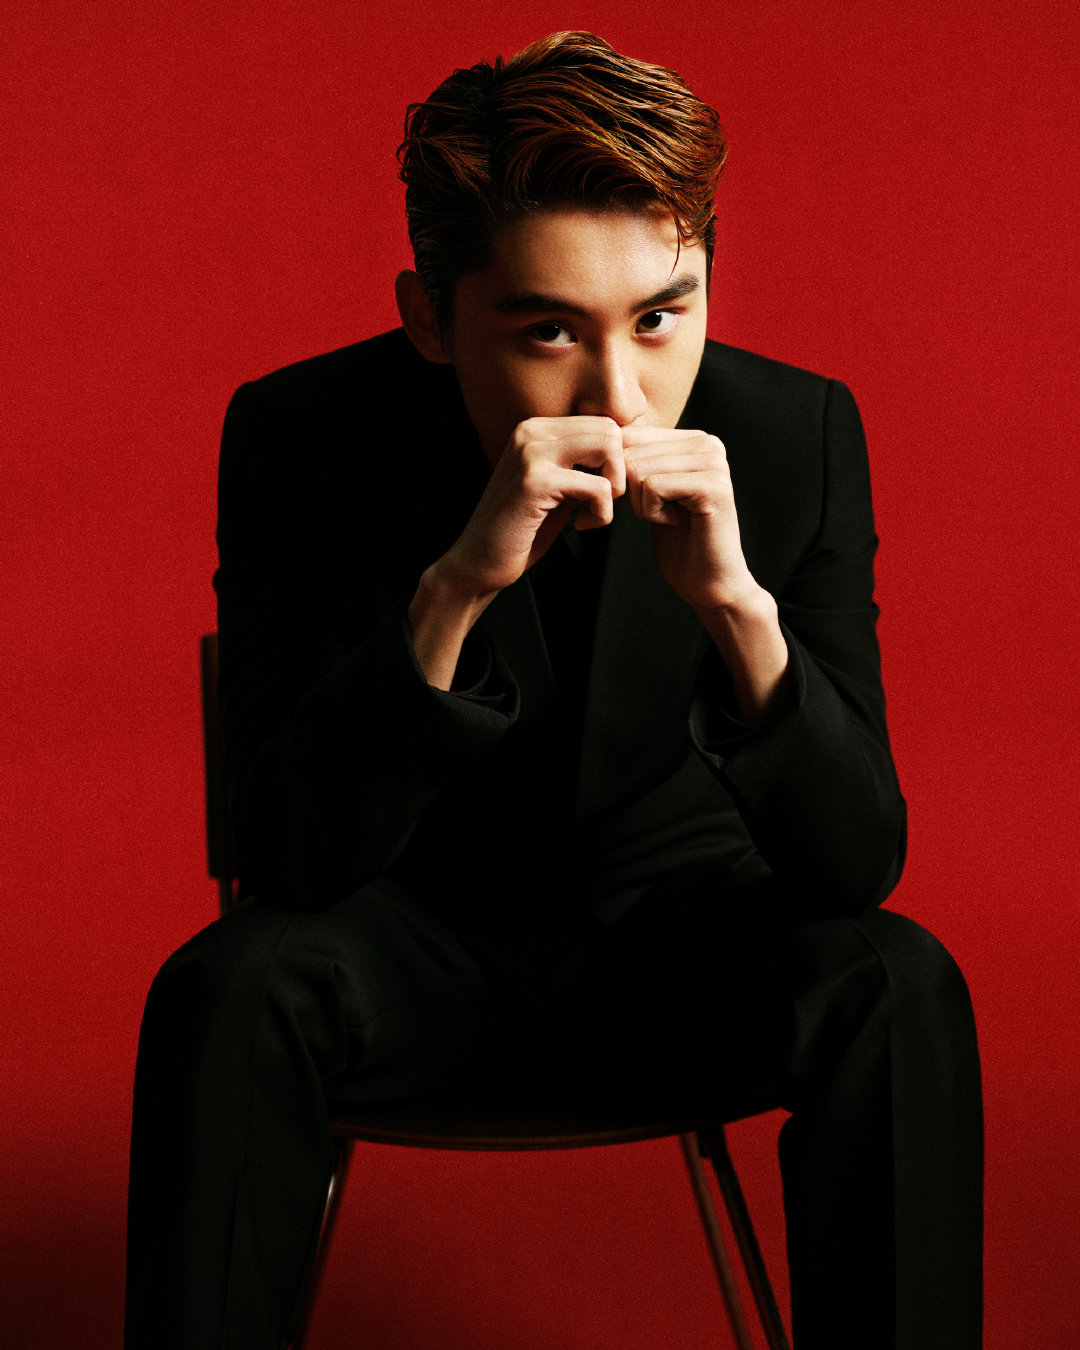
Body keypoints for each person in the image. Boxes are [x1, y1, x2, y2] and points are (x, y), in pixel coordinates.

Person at [125, 31, 982, 1350]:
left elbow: (856, 860)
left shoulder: (793, 432)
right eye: (545, 331)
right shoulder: (302, 435)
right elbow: (288, 853)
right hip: (414, 945)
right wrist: (456, 587)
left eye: (661, 317)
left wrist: (739, 611)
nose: (621, 398)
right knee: (227, 985)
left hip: (683, 947)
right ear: (430, 317)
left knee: (897, 977)